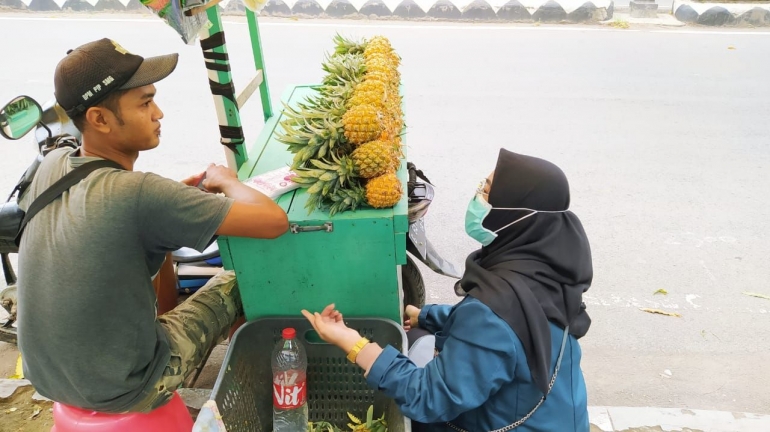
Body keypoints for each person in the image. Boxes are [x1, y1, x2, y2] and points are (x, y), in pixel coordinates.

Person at [15, 38, 289, 414]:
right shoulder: (140, 193)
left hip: (45, 377)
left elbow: (102, 214)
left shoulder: (51, 165)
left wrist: (168, 200)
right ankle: (251, 388)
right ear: (99, 119)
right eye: (145, 103)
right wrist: (226, 181)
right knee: (241, 278)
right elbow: (274, 222)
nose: (159, 113)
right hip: (127, 387)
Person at [303, 148, 593, 431]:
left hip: (517, 423)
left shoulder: (497, 306)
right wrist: (426, 316)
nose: (478, 195)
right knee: (416, 334)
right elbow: (506, 330)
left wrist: (353, 343)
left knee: (410, 405)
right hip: (557, 414)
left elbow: (426, 398)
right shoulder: (545, 267)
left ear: (514, 213)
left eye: (488, 191)